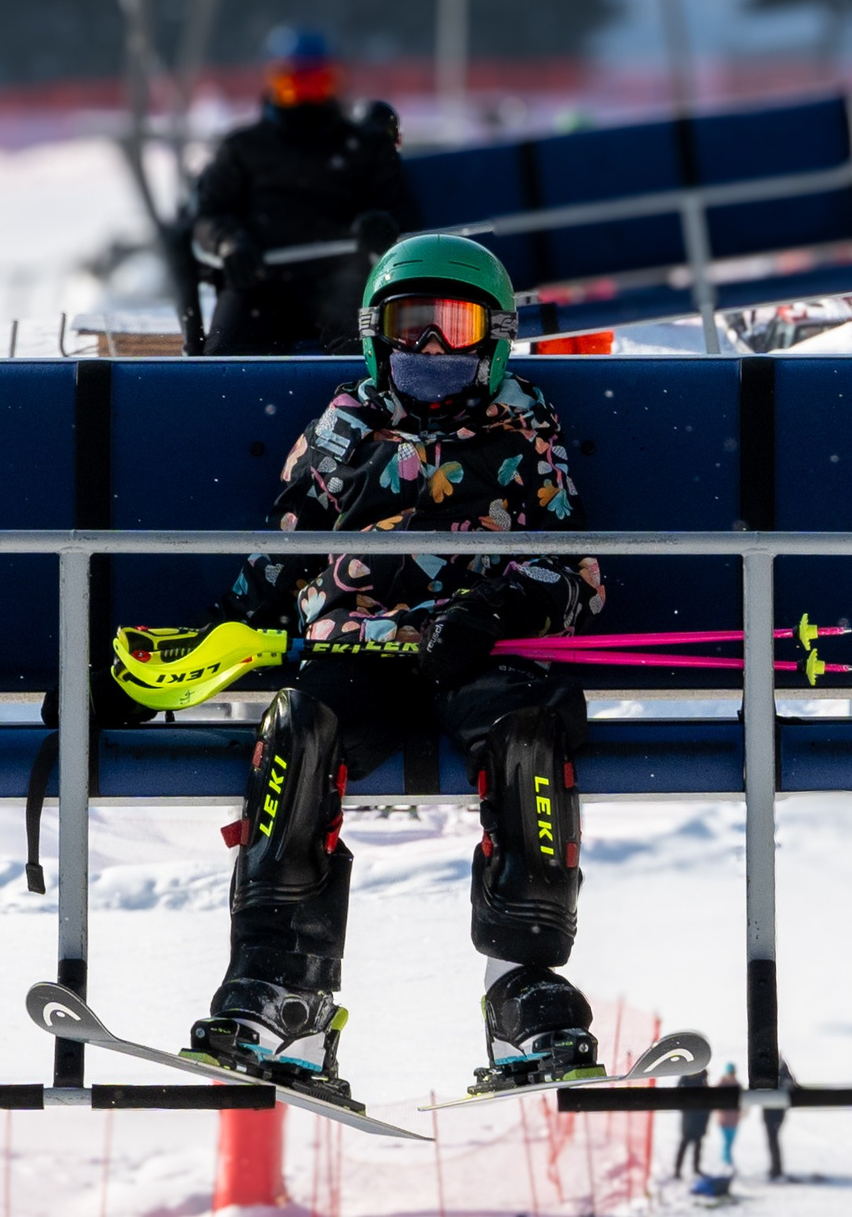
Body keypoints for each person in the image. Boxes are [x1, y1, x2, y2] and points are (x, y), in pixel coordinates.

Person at [187, 235, 607, 1106]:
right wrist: (187, 654)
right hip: (359, 645)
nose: (433, 351)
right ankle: (280, 983)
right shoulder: (344, 427)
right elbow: (277, 556)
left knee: (529, 737)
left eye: (455, 328)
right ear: (377, 334)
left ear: (494, 339)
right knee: (300, 730)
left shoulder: (524, 429)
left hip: (477, 649)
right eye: (413, 329)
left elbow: (575, 571)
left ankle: (524, 986)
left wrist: (494, 609)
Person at [190, 27, 417, 356]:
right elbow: (209, 215)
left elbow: (403, 214)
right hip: (259, 282)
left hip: (343, 279)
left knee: (364, 347)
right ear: (273, 83)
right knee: (227, 359)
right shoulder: (244, 148)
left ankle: (356, 403)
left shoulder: (365, 148)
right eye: (292, 86)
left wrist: (381, 225)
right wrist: (227, 240)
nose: (305, 98)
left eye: (316, 84)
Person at [670, 1067, 711, 1179]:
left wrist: (706, 1122)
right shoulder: (687, 1079)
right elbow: (678, 1093)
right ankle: (678, 1169)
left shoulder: (702, 1081)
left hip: (699, 1117)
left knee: (696, 1145)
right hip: (690, 1117)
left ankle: (695, 1168)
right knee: (686, 1143)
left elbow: (708, 1103)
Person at [762, 1060, 795, 1179]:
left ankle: (776, 1168)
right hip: (773, 1112)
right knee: (772, 1140)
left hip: (774, 1113)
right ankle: (775, 1167)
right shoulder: (781, 1073)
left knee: (773, 1140)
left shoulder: (781, 1074)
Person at [714, 1063, 741, 1170]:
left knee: (730, 1143)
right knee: (726, 1143)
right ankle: (727, 1162)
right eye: (730, 1073)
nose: (732, 1075)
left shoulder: (737, 1085)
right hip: (724, 1120)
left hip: (734, 1121)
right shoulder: (721, 1085)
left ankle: (727, 1162)